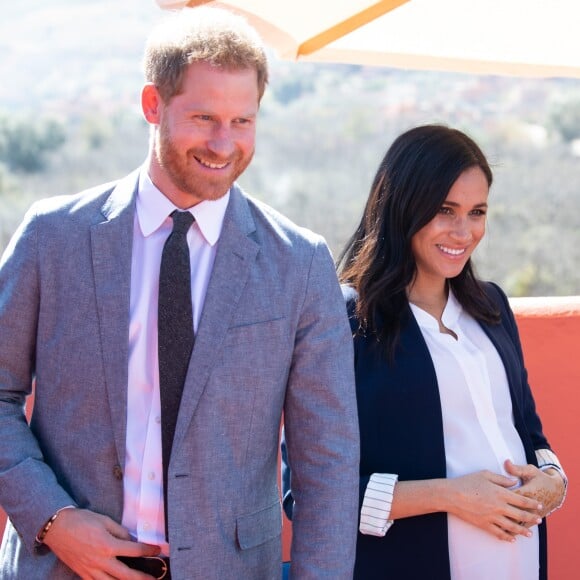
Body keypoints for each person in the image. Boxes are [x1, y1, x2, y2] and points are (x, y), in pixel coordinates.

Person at [0, 7, 360, 579]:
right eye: (204, 117)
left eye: (243, 121)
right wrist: (52, 519)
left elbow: (328, 463)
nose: (224, 143)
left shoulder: (299, 263)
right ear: (152, 105)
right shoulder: (52, 238)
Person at [283, 124, 567, 579]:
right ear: (402, 207)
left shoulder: (491, 306)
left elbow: (532, 436)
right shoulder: (344, 319)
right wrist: (450, 495)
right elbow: (308, 493)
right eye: (443, 209)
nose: (463, 230)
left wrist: (554, 481)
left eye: (477, 212)